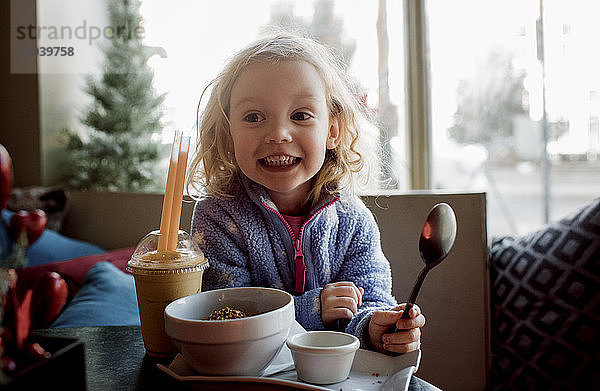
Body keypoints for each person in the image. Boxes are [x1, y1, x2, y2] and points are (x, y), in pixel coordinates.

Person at [186, 33, 426, 357]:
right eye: (254, 117)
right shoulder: (218, 217)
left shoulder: (353, 222)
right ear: (228, 134)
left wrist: (378, 328)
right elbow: (226, 319)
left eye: (300, 115)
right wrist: (313, 308)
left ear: (332, 130)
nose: (278, 134)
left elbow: (370, 303)